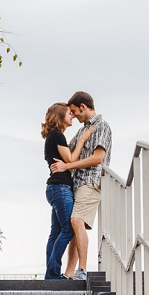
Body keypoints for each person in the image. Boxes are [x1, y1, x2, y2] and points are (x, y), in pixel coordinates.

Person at [51, 91, 112, 281]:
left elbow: (98, 158)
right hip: (75, 184)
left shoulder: (101, 126)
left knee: (77, 222)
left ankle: (82, 270)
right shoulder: (81, 131)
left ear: (83, 107)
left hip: (91, 181)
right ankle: (69, 273)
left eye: (74, 111)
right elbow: (68, 153)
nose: (74, 115)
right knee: (74, 226)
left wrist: (68, 165)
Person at [42, 103, 93, 279]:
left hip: (55, 189)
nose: (72, 115)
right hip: (60, 188)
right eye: (68, 113)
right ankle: (53, 274)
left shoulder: (53, 137)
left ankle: (51, 274)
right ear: (59, 116)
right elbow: (71, 159)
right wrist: (82, 140)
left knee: (56, 232)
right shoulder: (57, 135)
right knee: (68, 230)